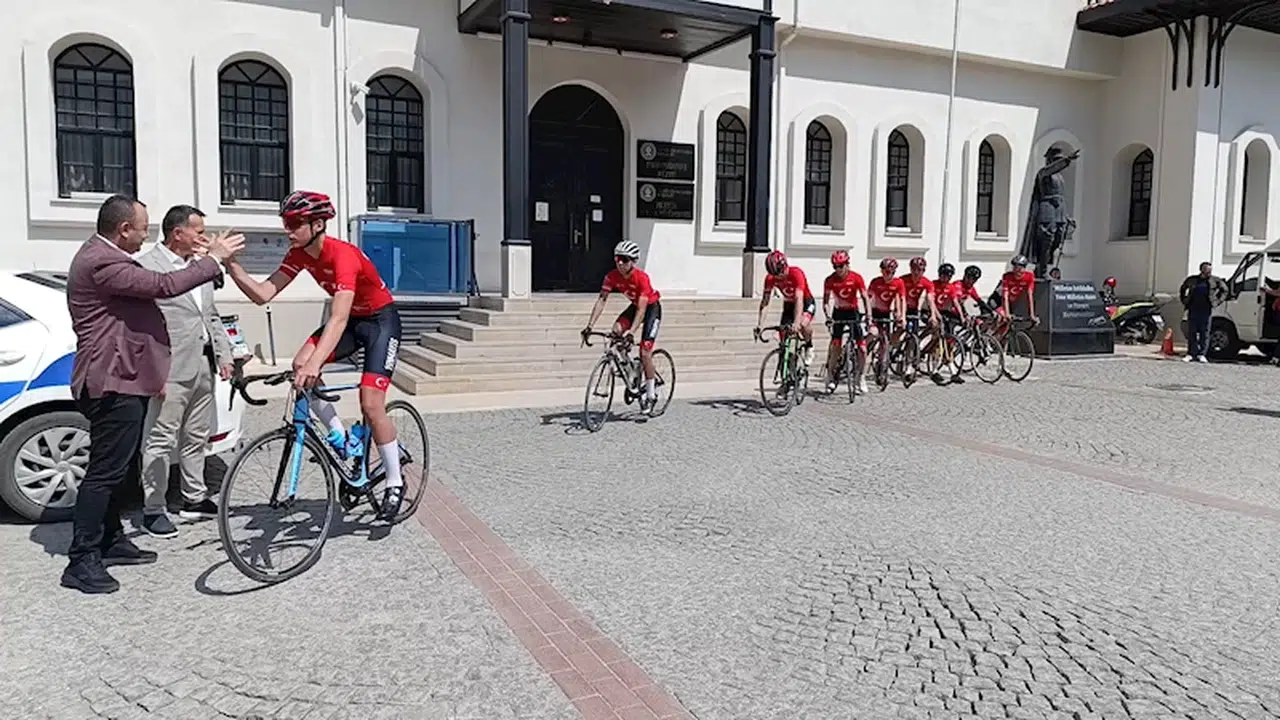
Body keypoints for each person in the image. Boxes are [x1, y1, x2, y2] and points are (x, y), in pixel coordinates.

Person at [63, 194, 244, 594]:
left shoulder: (108, 256)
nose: (147, 235)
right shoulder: (102, 261)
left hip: (128, 377)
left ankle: (110, 540)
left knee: (120, 468)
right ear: (123, 229)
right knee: (104, 472)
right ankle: (82, 559)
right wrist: (212, 258)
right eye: (142, 227)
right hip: (111, 379)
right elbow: (163, 285)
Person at [222, 190, 406, 519]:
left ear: (318, 224)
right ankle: (340, 436)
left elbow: (336, 318)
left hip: (379, 321)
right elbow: (263, 294)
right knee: (298, 366)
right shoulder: (300, 254)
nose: (287, 231)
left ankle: (394, 480)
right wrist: (230, 264)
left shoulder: (343, 255)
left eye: (294, 224)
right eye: (286, 223)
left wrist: (316, 362)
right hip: (351, 322)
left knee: (371, 402)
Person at [136, 205, 235, 538]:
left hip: (202, 365)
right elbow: (139, 328)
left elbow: (211, 314)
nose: (204, 238)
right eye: (199, 231)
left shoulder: (199, 267)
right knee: (160, 439)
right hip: (169, 369)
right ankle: (153, 508)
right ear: (177, 233)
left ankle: (194, 497)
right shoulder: (147, 267)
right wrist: (151, 371)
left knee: (196, 436)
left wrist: (224, 353)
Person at [581, 241, 664, 413]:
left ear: (633, 262)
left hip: (651, 309)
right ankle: (630, 370)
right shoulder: (611, 276)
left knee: (645, 352)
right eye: (617, 258)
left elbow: (642, 310)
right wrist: (589, 326)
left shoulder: (642, 278)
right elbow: (602, 300)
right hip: (635, 307)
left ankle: (650, 394)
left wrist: (632, 333)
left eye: (624, 260)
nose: (619, 263)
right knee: (615, 332)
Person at [821, 250, 870, 395]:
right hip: (838, 312)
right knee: (836, 346)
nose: (838, 270)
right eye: (835, 266)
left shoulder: (856, 278)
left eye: (840, 266)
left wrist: (869, 316)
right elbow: (825, 302)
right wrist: (828, 316)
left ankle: (861, 377)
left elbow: (865, 298)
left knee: (862, 348)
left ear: (847, 264)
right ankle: (830, 376)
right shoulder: (830, 280)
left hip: (853, 312)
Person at [755, 250, 816, 365]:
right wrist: (760, 324)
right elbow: (765, 302)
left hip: (806, 301)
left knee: (803, 324)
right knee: (783, 335)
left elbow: (799, 299)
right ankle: (786, 368)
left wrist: (797, 322)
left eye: (779, 273)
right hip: (789, 304)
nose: (778, 277)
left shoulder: (796, 273)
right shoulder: (770, 278)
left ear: (784, 266)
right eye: (774, 275)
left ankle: (809, 345)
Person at [1178, 262, 1227, 363]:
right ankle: (1191, 353)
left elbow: (1225, 290)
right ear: (1202, 270)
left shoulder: (1215, 280)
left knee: (1205, 332)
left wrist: (1217, 301)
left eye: (1210, 270)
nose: (1209, 272)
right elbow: (1183, 288)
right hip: (1193, 309)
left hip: (1206, 310)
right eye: (1207, 270)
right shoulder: (1192, 280)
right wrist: (1184, 300)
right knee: (1192, 332)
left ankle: (1202, 354)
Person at [867, 258, 907, 339]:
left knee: (886, 337)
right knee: (873, 333)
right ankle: (864, 349)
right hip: (875, 311)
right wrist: (869, 316)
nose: (887, 275)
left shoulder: (898, 282)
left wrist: (902, 316)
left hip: (887, 312)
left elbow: (902, 299)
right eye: (885, 272)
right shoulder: (875, 282)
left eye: (891, 272)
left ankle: (884, 350)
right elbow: (868, 299)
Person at [899, 256, 940, 333]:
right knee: (900, 330)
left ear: (924, 270)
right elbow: (899, 297)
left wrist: (933, 315)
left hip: (914, 309)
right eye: (914, 269)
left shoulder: (927, 283)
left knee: (916, 332)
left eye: (919, 270)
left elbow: (930, 299)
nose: (916, 272)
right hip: (902, 308)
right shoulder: (902, 280)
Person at [999, 255, 1038, 324]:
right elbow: (1005, 296)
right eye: (1014, 268)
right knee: (1001, 317)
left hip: (1014, 302)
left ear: (1024, 268)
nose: (1016, 271)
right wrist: (1007, 313)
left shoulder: (1029, 276)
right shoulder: (1007, 276)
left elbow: (1030, 296)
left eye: (1019, 269)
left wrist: (1032, 315)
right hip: (999, 300)